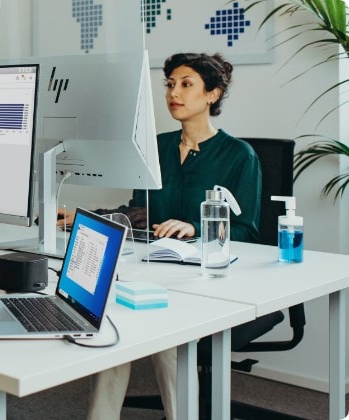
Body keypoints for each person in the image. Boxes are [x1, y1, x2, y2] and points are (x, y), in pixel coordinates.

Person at [57, 53, 261, 419]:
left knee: (170, 335)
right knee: (112, 318)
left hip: (205, 279)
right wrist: (82, 217)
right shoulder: (156, 148)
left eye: (186, 85)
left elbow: (249, 232)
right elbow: (140, 214)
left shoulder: (239, 156)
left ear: (212, 95)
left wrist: (197, 228)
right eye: (169, 85)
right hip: (153, 269)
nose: (174, 93)